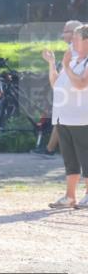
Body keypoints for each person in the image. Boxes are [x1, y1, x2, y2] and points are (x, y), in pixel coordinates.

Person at [42, 24, 88, 209]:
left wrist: (67, 66)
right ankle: (70, 196)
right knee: (70, 160)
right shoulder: (74, 60)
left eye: (76, 38)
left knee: (86, 157)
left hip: (82, 119)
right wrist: (52, 64)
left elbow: (81, 84)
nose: (72, 42)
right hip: (63, 118)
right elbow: (56, 84)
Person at [34, 20, 83, 157]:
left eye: (66, 31)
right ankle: (50, 150)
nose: (62, 34)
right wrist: (52, 63)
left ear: (75, 34)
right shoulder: (72, 51)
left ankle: (50, 150)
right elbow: (57, 83)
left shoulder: (77, 53)